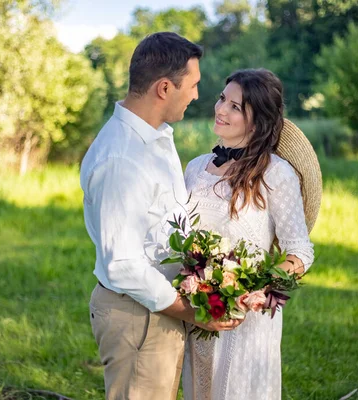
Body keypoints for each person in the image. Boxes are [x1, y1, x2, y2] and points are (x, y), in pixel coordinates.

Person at [80, 32, 243, 400]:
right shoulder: (122, 158)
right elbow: (122, 265)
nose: (198, 96)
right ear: (165, 88)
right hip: (138, 316)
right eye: (194, 85)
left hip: (159, 309)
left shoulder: (157, 139)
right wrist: (194, 313)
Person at [181, 69, 321, 400]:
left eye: (235, 106)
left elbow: (300, 252)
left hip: (248, 319)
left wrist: (257, 291)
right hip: (198, 310)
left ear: (256, 122)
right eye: (221, 99)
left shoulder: (277, 173)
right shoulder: (194, 168)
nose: (220, 110)